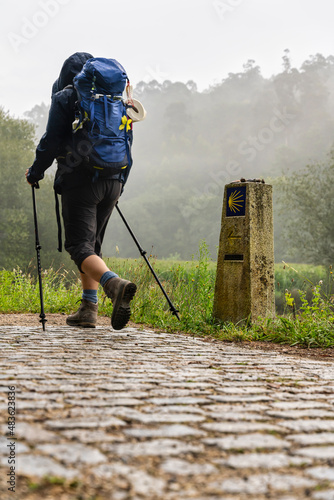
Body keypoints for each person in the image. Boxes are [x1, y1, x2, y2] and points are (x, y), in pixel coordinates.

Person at [26, 52, 137, 330]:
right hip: (114, 179)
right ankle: (89, 308)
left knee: (79, 245)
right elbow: (127, 140)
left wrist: (36, 172)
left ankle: (113, 284)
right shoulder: (116, 102)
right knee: (92, 245)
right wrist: (119, 181)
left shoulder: (66, 97)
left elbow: (51, 142)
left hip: (81, 180)